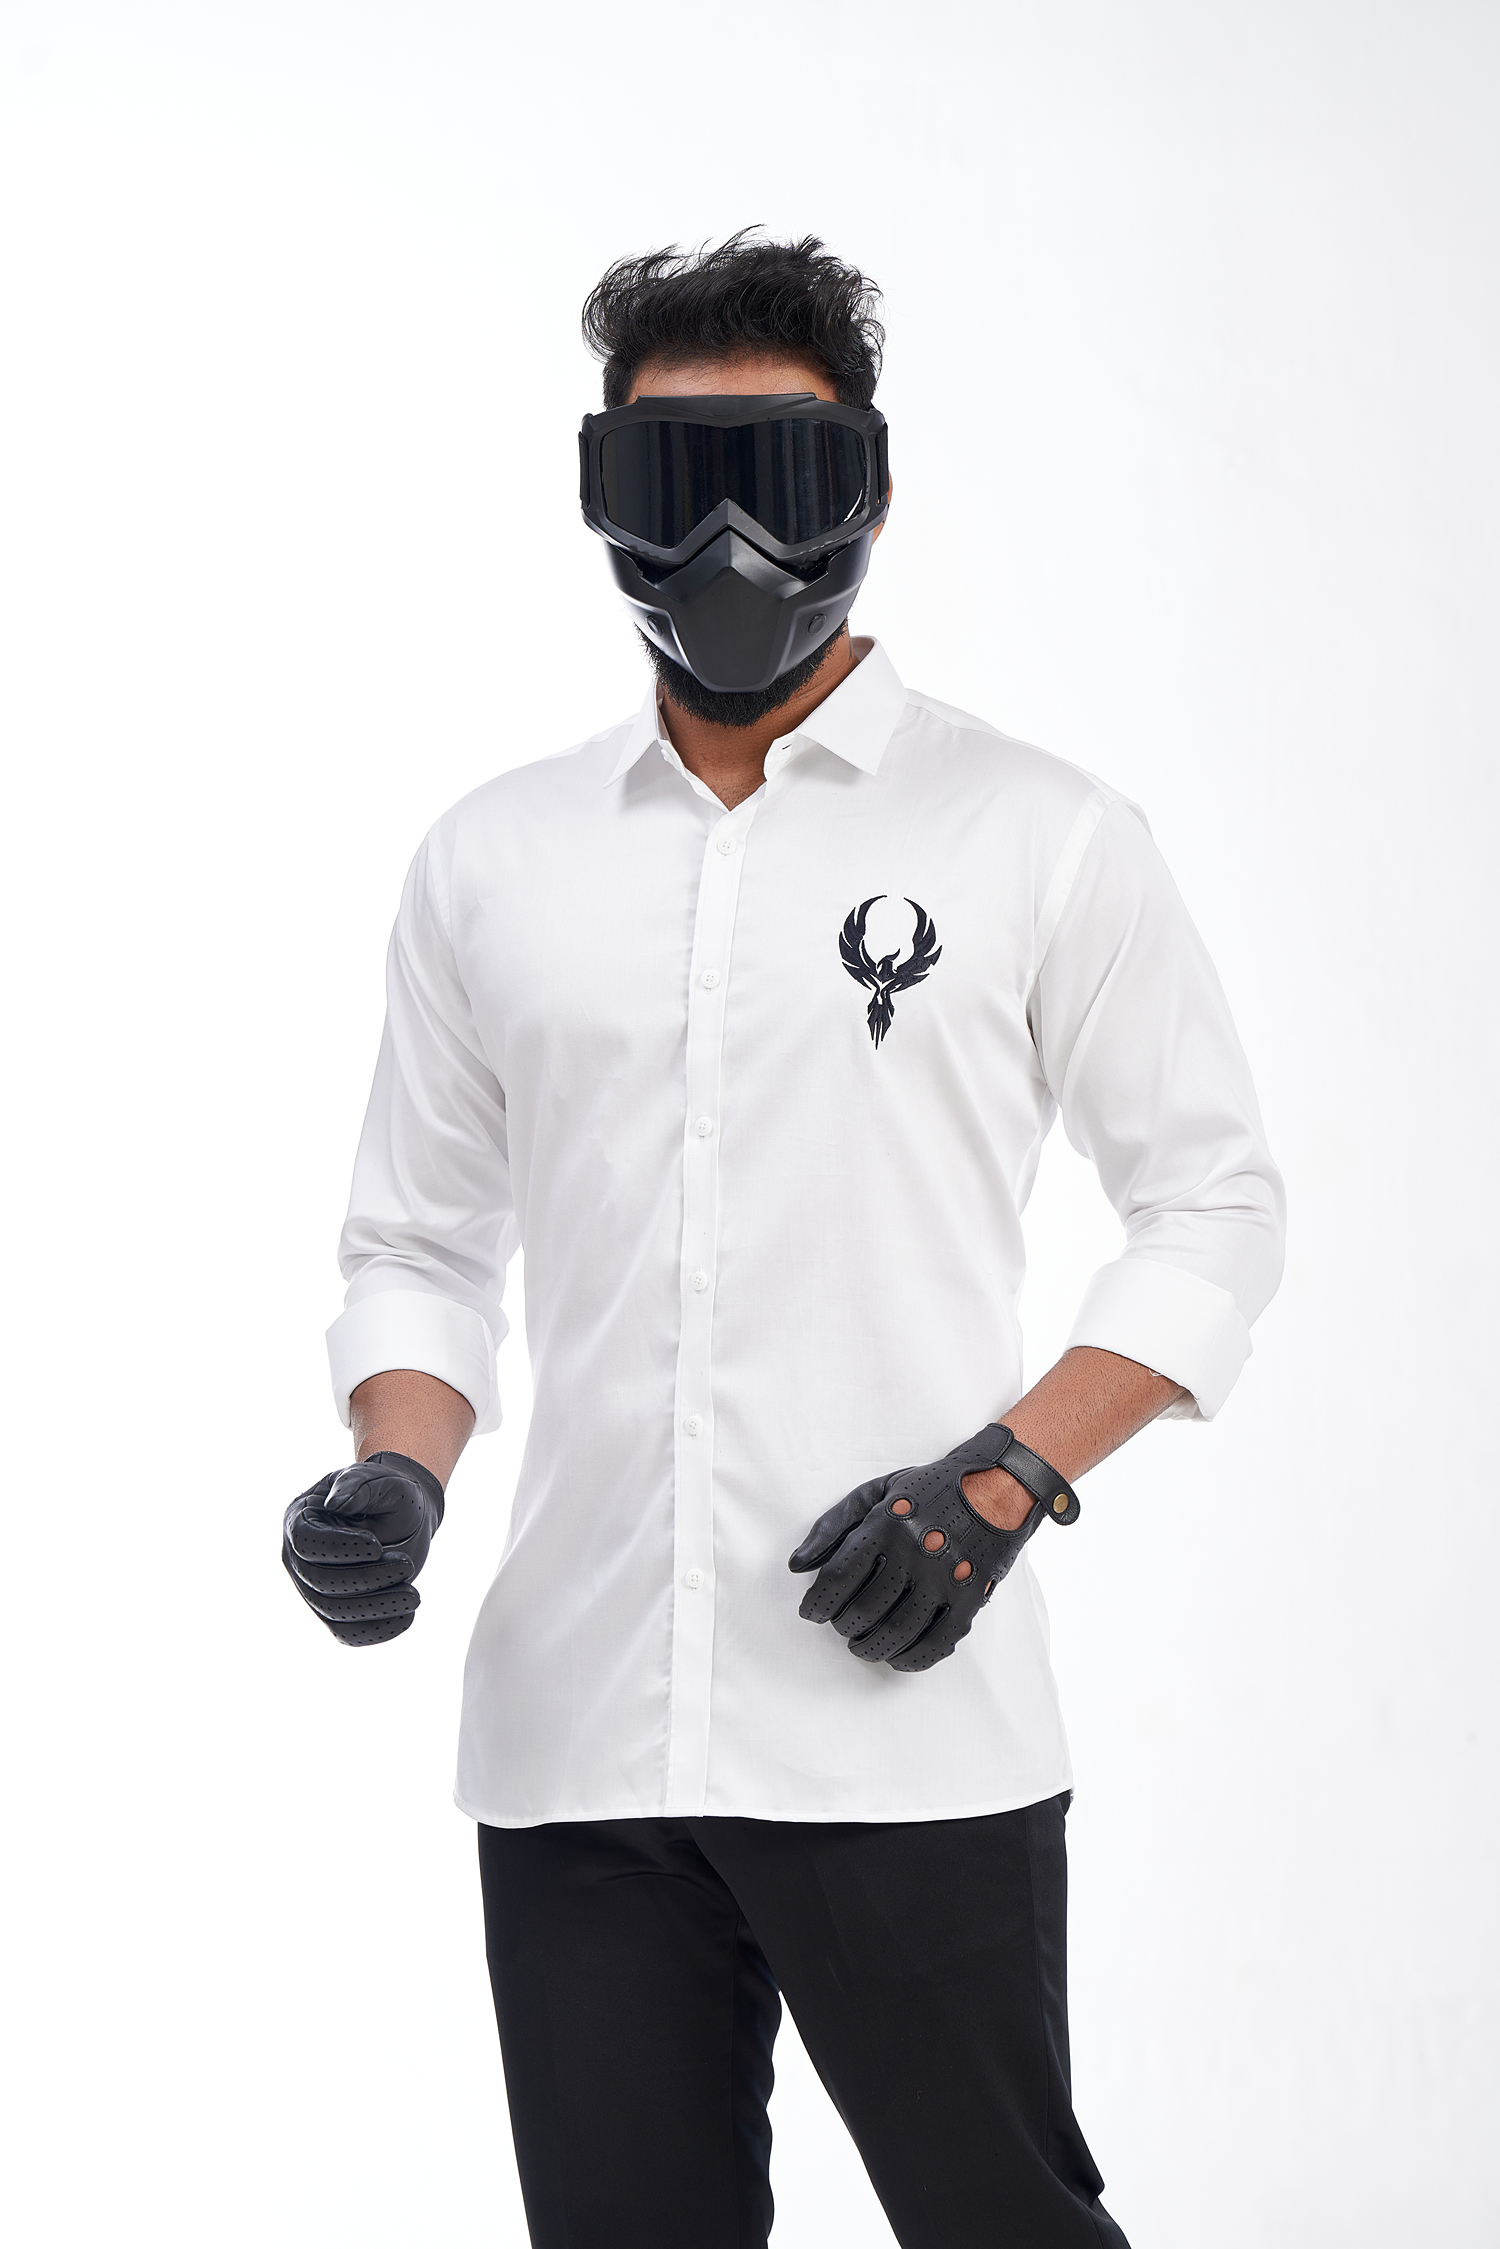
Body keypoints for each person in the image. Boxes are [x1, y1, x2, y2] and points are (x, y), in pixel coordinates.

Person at [283, 231, 1285, 2249]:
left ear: (873, 490)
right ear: (599, 500)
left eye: (787, 471)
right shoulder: (492, 859)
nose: (728, 533)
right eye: (670, 477)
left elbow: (1215, 1206)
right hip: (573, 1750)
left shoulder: (1041, 833)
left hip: (904, 1735)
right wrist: (398, 1468)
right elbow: (420, 1242)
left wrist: (1004, 1482)